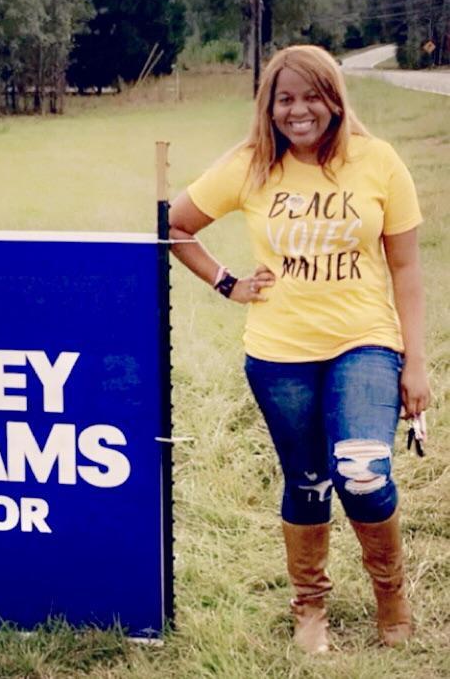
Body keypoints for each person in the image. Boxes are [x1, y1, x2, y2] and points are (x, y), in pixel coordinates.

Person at [169, 44, 431, 653]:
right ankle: (309, 606)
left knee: (362, 470)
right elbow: (176, 226)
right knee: (308, 479)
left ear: (335, 99)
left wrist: (415, 362)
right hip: (279, 351)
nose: (299, 111)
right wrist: (228, 283)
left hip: (364, 341)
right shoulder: (251, 165)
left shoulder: (378, 162)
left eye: (311, 95)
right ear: (269, 106)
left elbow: (408, 268)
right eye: (285, 99)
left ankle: (389, 593)